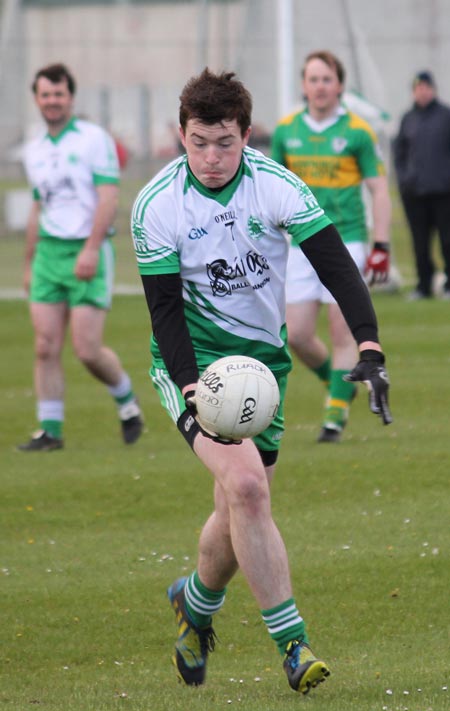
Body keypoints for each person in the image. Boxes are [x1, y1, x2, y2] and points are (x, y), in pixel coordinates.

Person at [131, 68, 392, 693]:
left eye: (225, 142)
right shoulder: (157, 204)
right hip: (191, 365)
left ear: (248, 135)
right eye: (200, 142)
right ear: (181, 136)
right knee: (247, 487)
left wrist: (369, 344)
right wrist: (193, 386)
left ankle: (194, 606)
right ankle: (293, 647)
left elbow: (335, 264)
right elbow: (165, 310)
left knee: (235, 506)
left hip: (260, 374)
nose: (212, 157)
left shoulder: (275, 185)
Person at [18, 63, 143, 452]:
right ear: (37, 99)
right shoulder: (34, 148)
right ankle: (50, 431)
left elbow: (108, 198)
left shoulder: (94, 139)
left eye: (59, 94)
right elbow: (39, 205)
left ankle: (126, 401)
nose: (52, 101)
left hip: (87, 250)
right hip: (48, 256)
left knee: (87, 349)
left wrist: (91, 249)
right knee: (44, 345)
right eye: (45, 94)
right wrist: (29, 261)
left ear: (70, 97)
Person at [271, 50, 391, 443]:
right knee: (298, 335)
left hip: (348, 240)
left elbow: (378, 189)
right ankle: (339, 384)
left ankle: (334, 418)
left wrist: (381, 244)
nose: (320, 86)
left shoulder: (357, 131)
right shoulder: (287, 131)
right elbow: (271, 189)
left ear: (339, 85)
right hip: (301, 244)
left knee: (342, 332)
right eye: (313, 79)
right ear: (303, 85)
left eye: (327, 79)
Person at [393, 70, 450, 300]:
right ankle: (423, 285)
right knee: (419, 242)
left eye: (426, 87)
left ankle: (447, 283)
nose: (422, 92)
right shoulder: (408, 118)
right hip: (415, 193)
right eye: (418, 88)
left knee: (447, 239)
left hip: (443, 191)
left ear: (433, 89)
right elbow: (399, 153)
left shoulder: (445, 116)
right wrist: (405, 179)